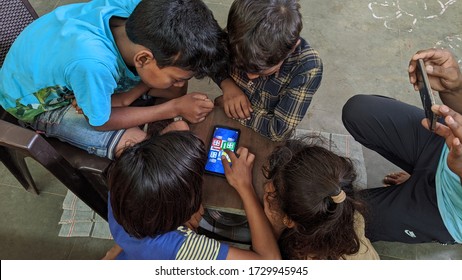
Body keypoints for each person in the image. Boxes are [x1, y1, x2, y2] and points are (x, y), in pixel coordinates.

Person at [0, 0, 227, 159]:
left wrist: (128, 97)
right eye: (176, 77)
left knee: (172, 89)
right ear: (144, 58)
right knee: (136, 146)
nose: (179, 82)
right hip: (35, 102)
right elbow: (100, 122)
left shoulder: (141, 11)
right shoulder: (93, 65)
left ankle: (124, 100)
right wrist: (172, 108)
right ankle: (142, 119)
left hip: (57, 59)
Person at [342, 48, 462, 244]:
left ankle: (420, 194)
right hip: (444, 142)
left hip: (445, 209)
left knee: (340, 219)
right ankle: (419, 175)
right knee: (358, 111)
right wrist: (454, 89)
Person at [104, 131, 280, 260]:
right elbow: (270, 264)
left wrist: (180, 214)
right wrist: (245, 187)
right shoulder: (182, 248)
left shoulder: (122, 187)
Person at [213, 0, 323, 141]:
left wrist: (233, 109)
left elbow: (278, 130)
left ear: (293, 47)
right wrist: (227, 83)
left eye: (262, 71)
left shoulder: (307, 68)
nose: (250, 77)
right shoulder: (236, 37)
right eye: (241, 67)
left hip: (265, 132)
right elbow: (212, 61)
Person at [261, 137, 379, 259]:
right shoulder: (347, 212)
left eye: (274, 186)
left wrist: (274, 230)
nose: (267, 187)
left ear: (289, 221)